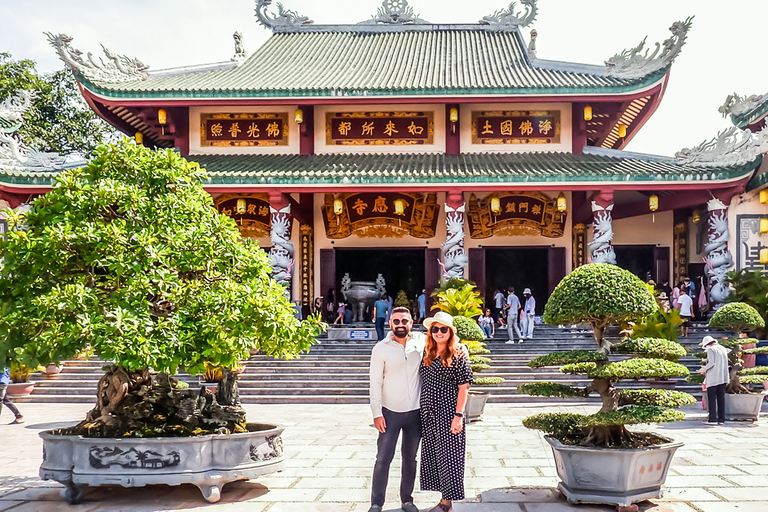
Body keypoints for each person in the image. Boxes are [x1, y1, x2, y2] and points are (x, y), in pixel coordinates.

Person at [368, 307, 425, 512]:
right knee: (383, 458)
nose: (400, 325)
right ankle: (376, 502)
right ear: (390, 323)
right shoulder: (381, 348)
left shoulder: (422, 341)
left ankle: (407, 500)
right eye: (396, 321)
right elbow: (375, 382)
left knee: (410, 458)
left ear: (411, 322)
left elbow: (445, 346)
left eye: (405, 321)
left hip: (415, 413)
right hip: (389, 413)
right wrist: (376, 413)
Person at [420, 312, 473, 512]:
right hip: (429, 413)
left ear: (450, 332)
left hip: (449, 412)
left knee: (450, 456)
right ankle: (443, 499)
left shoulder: (458, 353)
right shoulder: (428, 352)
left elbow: (464, 386)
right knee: (436, 456)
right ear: (430, 331)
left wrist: (458, 416)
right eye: (435, 329)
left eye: (443, 329)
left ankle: (447, 504)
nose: (439, 332)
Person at [697, 335, 730, 425]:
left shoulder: (711, 349)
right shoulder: (723, 348)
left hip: (713, 377)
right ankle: (721, 419)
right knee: (721, 398)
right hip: (723, 377)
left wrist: (702, 370)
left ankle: (712, 419)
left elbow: (711, 363)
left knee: (711, 398)